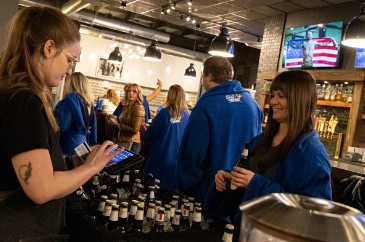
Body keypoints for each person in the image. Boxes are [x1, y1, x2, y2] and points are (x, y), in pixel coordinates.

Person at [0, 6, 122, 241]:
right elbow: (41, 189)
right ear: (48, 48)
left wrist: (72, 163)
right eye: (69, 59)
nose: (70, 69)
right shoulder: (23, 100)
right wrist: (91, 168)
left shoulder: (16, 94)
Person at [204, 70, 332, 237]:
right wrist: (228, 180)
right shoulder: (260, 141)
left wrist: (256, 184)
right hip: (244, 233)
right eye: (272, 95)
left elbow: (316, 216)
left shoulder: (312, 153)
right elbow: (244, 188)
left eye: (281, 96)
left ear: (299, 100)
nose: (273, 102)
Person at [176, 56, 263, 203]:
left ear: (208, 76)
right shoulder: (253, 104)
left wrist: (187, 189)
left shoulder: (206, 105)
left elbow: (191, 153)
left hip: (209, 192)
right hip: (241, 191)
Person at [141, 85, 190, 191]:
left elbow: (152, 134)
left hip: (160, 156)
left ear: (170, 95)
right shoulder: (187, 115)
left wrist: (147, 129)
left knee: (152, 190)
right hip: (177, 161)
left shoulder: (164, 113)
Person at [55, 72, 97, 155]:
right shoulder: (89, 103)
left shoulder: (69, 100)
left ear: (70, 84)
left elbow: (60, 127)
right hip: (83, 144)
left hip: (69, 145)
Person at [117, 83, 145, 153]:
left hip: (132, 143)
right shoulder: (126, 106)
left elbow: (135, 130)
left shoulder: (138, 107)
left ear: (138, 94)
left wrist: (118, 125)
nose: (131, 93)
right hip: (123, 140)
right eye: (129, 91)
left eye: (134, 91)